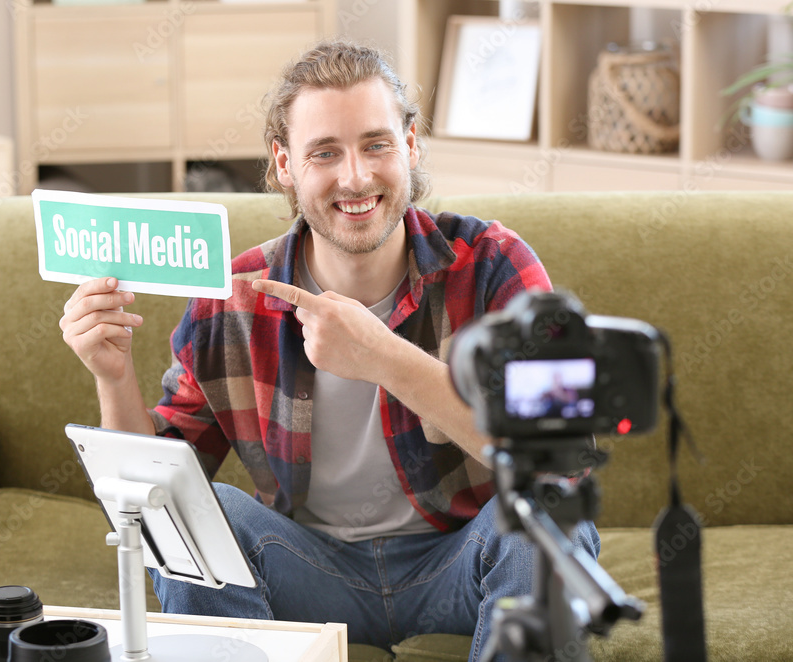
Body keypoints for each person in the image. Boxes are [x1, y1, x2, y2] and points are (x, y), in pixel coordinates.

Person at [60, 40, 600, 661]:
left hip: (458, 562)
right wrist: (112, 375)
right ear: (285, 164)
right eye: (325, 153)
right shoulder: (234, 297)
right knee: (208, 515)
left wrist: (386, 358)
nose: (356, 177)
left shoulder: (493, 265)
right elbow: (152, 511)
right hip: (307, 569)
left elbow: (559, 460)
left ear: (411, 145)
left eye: (376, 144)